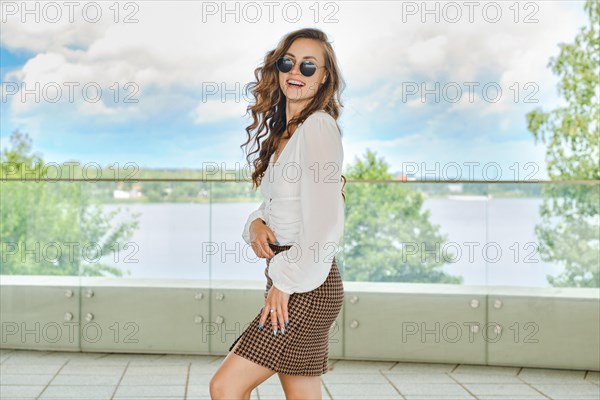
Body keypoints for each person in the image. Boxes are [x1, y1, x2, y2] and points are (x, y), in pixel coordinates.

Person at [210, 28, 347, 400]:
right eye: (288, 62)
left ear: (324, 78)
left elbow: (325, 221)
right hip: (296, 277)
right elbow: (279, 207)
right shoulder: (288, 132)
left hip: (304, 284)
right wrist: (254, 224)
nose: (296, 72)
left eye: (308, 66)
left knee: (225, 386)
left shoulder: (318, 127)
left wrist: (285, 284)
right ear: (277, 67)